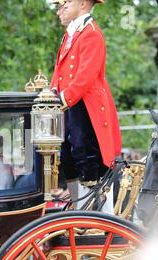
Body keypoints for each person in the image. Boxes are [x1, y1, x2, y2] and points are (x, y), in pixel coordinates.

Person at [50, 0, 121, 212]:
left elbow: (85, 78)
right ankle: (79, 212)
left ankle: (99, 217)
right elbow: (59, 73)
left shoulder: (91, 33)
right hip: (71, 106)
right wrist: (50, 96)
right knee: (68, 159)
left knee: (89, 160)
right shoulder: (71, 33)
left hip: (86, 109)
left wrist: (60, 100)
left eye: (64, 5)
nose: (59, 11)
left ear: (82, 3)